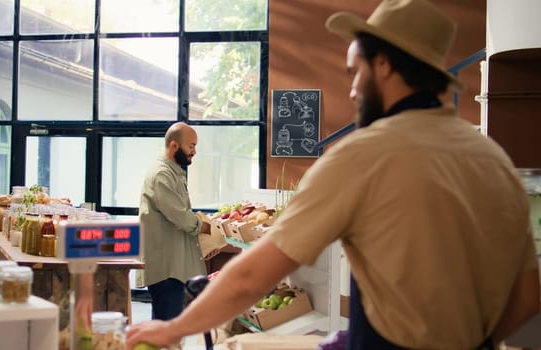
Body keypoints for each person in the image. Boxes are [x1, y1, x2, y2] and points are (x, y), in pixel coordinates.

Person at [126, 0, 540, 349]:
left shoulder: (365, 154)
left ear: (383, 65)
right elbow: (526, 297)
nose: (353, 90)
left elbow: (253, 273)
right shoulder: (494, 161)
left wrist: (173, 329)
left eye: (354, 72)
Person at [139, 122, 210, 321]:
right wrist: (206, 228)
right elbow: (180, 216)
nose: (194, 151)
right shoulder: (162, 174)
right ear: (174, 146)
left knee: (168, 329)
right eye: (191, 146)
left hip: (174, 268)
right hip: (167, 269)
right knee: (166, 329)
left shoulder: (174, 172)